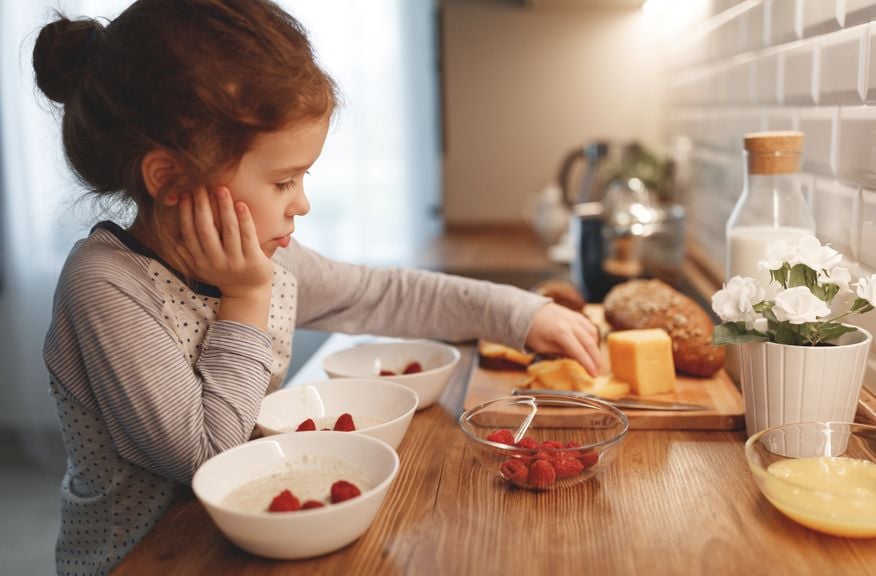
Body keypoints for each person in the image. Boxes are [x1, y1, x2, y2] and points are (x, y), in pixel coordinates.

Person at [34, 1, 602, 573]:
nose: (301, 203)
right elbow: (209, 456)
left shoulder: (261, 259)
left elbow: (382, 295)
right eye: (283, 180)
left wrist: (520, 313)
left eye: (303, 178)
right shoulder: (107, 286)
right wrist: (247, 299)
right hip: (145, 558)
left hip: (248, 541)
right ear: (171, 179)